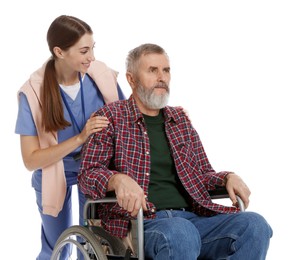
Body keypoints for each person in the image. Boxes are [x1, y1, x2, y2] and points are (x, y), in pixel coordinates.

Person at [78, 43, 273, 259]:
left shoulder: (179, 120)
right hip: (142, 223)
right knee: (181, 232)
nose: (162, 77)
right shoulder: (110, 117)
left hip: (193, 218)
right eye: (152, 70)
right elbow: (88, 174)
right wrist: (117, 180)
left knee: (255, 226)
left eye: (166, 70)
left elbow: (202, 175)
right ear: (131, 79)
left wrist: (227, 177)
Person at [15, 15, 126, 260]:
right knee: (57, 247)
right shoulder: (33, 92)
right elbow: (30, 160)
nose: (92, 57)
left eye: (93, 48)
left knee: (94, 246)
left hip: (95, 169)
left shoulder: (101, 75)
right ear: (59, 52)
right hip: (54, 171)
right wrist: (80, 138)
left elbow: (127, 122)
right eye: (84, 50)